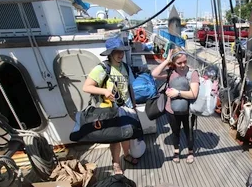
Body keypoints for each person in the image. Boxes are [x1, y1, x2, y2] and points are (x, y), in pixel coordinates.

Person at [83, 36, 138, 174]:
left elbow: (130, 87)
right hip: (109, 110)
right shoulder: (102, 68)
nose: (120, 54)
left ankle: (126, 155)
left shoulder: (126, 67)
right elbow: (87, 87)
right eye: (116, 51)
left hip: (126, 107)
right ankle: (116, 164)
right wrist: (104, 91)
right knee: (115, 139)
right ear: (110, 53)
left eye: (122, 51)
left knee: (127, 134)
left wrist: (134, 105)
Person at [151, 48, 199, 164]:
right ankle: (176, 150)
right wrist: (167, 60)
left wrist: (177, 93)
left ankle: (190, 151)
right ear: (173, 63)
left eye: (185, 62)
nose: (183, 65)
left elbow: (194, 93)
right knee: (175, 131)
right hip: (171, 109)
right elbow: (154, 74)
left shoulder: (192, 73)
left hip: (188, 110)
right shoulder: (170, 72)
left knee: (189, 131)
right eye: (179, 63)